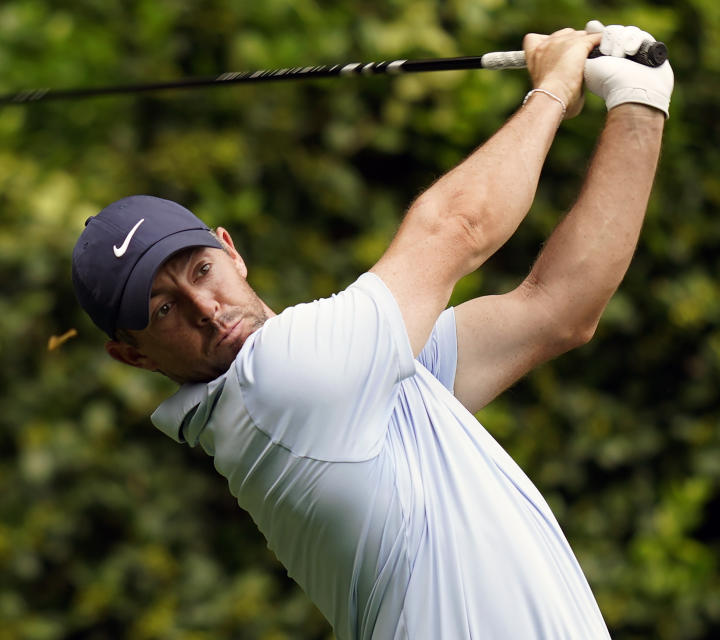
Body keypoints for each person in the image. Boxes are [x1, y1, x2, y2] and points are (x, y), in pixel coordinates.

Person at [70, 22, 672, 639]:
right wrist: (551, 87)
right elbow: (456, 228)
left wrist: (638, 103)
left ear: (231, 250)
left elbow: (559, 309)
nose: (204, 307)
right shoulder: (278, 382)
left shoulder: (360, 382)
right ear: (132, 355)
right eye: (162, 309)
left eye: (201, 270)